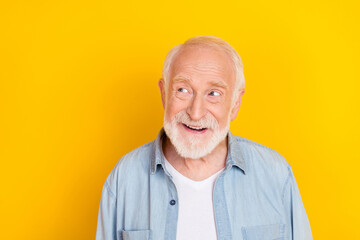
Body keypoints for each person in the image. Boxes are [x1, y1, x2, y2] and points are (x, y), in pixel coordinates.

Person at [96, 36, 312, 240]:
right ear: (164, 94)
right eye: (183, 90)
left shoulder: (275, 174)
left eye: (214, 93)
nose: (196, 113)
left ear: (236, 103)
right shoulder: (124, 179)